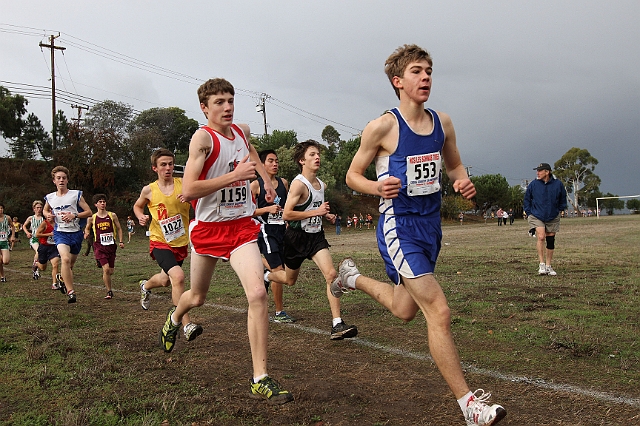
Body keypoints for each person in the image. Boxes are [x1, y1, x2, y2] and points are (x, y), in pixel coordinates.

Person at [334, 44, 506, 426]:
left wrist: (462, 181)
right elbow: (351, 175)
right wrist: (376, 188)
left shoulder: (442, 123)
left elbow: (455, 163)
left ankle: (351, 277)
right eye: (416, 71)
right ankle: (469, 406)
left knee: (404, 309)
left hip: (431, 228)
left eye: (428, 70)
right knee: (438, 311)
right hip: (398, 227)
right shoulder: (383, 126)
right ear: (398, 81)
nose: (426, 76)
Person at [162, 78, 293, 405]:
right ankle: (175, 318)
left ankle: (260, 378)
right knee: (197, 297)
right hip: (207, 230)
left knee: (257, 294)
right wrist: (235, 177)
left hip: (240, 228)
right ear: (205, 108)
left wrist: (266, 180)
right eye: (219, 102)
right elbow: (189, 190)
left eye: (230, 100)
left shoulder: (242, 131)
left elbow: (251, 153)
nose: (227, 107)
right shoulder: (202, 139)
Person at [264, 140, 358, 341]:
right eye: (312, 155)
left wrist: (327, 216)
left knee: (331, 274)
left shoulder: (320, 184)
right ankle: (267, 276)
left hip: (315, 237)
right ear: (301, 160)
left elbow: (314, 210)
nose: (317, 157)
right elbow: (287, 215)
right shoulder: (298, 184)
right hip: (296, 239)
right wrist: (317, 211)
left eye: (318, 154)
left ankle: (337, 324)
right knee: (289, 280)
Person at [133, 148, 203, 341]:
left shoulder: (184, 185)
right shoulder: (149, 190)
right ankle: (185, 324)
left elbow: (199, 200)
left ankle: (145, 286)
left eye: (171, 164)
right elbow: (138, 206)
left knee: (166, 280)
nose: (168, 168)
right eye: (163, 165)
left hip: (180, 242)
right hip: (159, 241)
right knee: (178, 277)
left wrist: (190, 197)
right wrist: (140, 216)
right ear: (155, 168)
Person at [250, 149, 295, 323]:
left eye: (276, 161)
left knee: (280, 271)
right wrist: (267, 209)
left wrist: (289, 220)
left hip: (282, 231)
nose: (275, 164)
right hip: (265, 229)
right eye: (270, 161)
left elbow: (289, 205)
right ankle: (279, 312)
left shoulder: (284, 183)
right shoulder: (255, 185)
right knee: (279, 271)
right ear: (261, 165)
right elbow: (247, 212)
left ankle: (278, 310)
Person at [43, 166, 93, 303]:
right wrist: (48, 215)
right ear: (54, 181)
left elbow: (89, 212)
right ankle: (71, 292)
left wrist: (74, 215)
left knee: (69, 266)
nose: (61, 180)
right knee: (64, 259)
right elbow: (45, 210)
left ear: (67, 180)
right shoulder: (50, 197)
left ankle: (61, 278)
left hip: (76, 234)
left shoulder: (75, 194)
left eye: (64, 178)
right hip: (60, 233)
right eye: (58, 178)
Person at [523, 163, 567, 276]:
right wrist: (529, 213)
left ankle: (548, 266)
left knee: (550, 239)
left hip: (552, 215)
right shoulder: (533, 184)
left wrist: (560, 209)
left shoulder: (558, 184)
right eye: (537, 170)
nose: (537, 173)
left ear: (547, 172)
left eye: (540, 170)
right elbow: (527, 199)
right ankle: (541, 264)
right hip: (537, 215)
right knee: (541, 237)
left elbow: (563, 198)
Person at [85, 194, 125, 299]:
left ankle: (100, 262)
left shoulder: (112, 215)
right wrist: (86, 233)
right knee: (106, 270)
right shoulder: (92, 218)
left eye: (104, 201)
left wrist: (121, 241)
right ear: (96, 204)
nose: (102, 203)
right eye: (100, 202)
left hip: (111, 246)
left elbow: (119, 228)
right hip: (99, 246)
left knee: (110, 271)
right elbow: (87, 228)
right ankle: (109, 291)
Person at [34, 211, 61, 290]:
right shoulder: (44, 223)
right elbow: (37, 234)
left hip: (54, 247)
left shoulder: (58, 223)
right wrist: (48, 234)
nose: (48, 218)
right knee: (43, 268)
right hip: (44, 247)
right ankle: (36, 264)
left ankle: (54, 284)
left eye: (50, 216)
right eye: (47, 216)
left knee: (55, 265)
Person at [23, 200, 46, 279]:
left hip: (42, 239)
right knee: (38, 251)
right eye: (37, 207)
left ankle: (35, 267)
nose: (39, 209)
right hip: (34, 239)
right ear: (34, 209)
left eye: (40, 207)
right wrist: (27, 233)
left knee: (41, 254)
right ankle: (35, 269)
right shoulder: (31, 218)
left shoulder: (44, 219)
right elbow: (24, 226)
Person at [0, 204, 16, 282]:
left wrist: (12, 236)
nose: (0, 210)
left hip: (4, 241)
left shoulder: (7, 217)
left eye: (1, 208)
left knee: (5, 261)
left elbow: (12, 226)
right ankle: (2, 276)